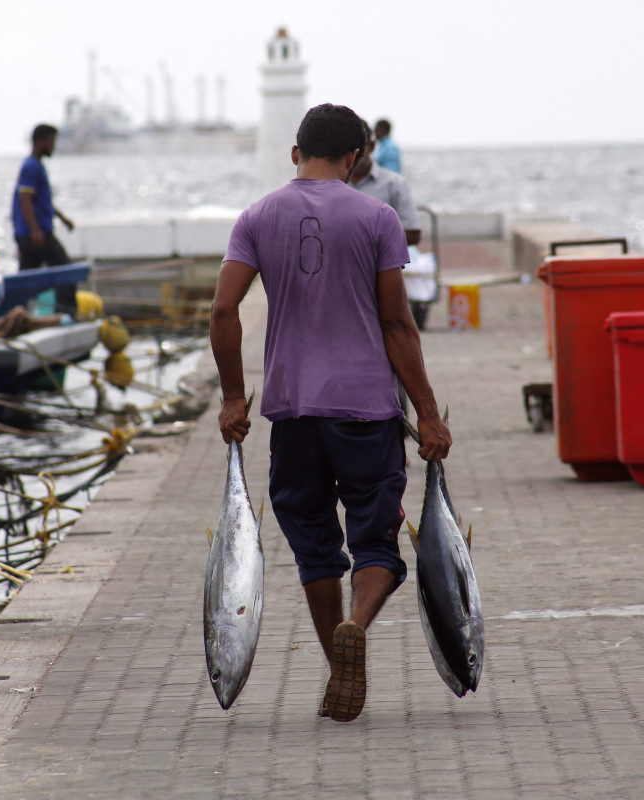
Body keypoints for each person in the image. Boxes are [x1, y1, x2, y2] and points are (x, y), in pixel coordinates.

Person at [210, 103, 451, 723]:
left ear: (296, 153)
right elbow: (397, 323)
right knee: (376, 540)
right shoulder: (378, 217)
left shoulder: (256, 217)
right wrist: (428, 414)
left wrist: (234, 397)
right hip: (366, 408)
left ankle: (337, 663)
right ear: (354, 158)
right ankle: (357, 626)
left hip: (292, 410)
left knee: (314, 545)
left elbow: (223, 311)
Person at [12, 123, 77, 314]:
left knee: (25, 279)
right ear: (41, 142)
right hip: (36, 233)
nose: (53, 146)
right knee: (65, 272)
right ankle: (66, 315)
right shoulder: (31, 166)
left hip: (28, 232)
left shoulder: (34, 165)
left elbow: (41, 201)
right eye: (51, 141)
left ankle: (19, 315)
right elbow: (25, 199)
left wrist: (63, 219)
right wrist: (35, 230)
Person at [350, 119, 421, 246]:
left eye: (358, 149)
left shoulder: (394, 183)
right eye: (345, 150)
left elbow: (413, 233)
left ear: (371, 146)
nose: (352, 156)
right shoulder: (330, 183)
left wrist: (365, 240)